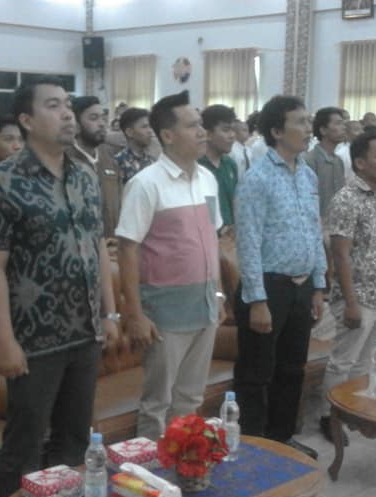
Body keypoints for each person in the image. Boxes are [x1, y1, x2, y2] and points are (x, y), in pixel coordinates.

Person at [0, 76, 118, 497]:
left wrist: (110, 313)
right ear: (27, 120)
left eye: (68, 105)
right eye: (53, 106)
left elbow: (98, 248)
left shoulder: (83, 174)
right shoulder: (2, 182)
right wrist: (4, 340)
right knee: (24, 449)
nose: (67, 114)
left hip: (85, 334)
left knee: (74, 442)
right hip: (33, 340)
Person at [116, 90, 224, 440]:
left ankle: (185, 459)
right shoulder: (146, 184)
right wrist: (135, 314)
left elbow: (212, 241)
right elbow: (127, 250)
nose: (202, 132)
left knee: (191, 397)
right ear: (167, 135)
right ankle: (152, 466)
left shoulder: (208, 179)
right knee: (158, 402)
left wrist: (218, 294)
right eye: (192, 126)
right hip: (164, 311)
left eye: (201, 124)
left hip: (204, 304)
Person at [234, 95, 325, 454]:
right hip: (268, 288)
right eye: (300, 122)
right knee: (257, 374)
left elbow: (314, 231)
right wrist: (257, 299)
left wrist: (318, 285)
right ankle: (253, 447)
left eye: (308, 121)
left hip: (302, 286)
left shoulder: (307, 174)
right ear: (276, 131)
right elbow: (248, 242)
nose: (308, 128)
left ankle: (282, 440)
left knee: (292, 368)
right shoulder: (257, 178)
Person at [322, 131, 376, 438]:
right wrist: (351, 303)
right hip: (358, 295)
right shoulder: (346, 199)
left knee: (371, 360)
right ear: (360, 163)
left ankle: (355, 411)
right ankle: (330, 417)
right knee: (343, 361)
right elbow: (340, 255)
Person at [68, 96, 123, 239]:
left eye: (103, 118)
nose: (102, 124)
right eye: (94, 118)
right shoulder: (64, 159)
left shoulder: (110, 156)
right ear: (76, 125)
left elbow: (119, 202)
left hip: (112, 241)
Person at [199, 104, 239, 232]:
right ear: (208, 134)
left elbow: (235, 201)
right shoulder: (198, 166)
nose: (232, 135)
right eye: (226, 130)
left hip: (230, 236)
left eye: (233, 130)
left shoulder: (230, 164)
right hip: (207, 233)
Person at [306, 107, 346, 226]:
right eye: (338, 123)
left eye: (343, 123)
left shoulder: (338, 161)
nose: (344, 127)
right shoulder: (309, 160)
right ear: (323, 130)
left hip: (337, 224)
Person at [114, 107, 156, 185]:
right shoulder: (118, 162)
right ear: (129, 132)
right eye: (144, 127)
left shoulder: (152, 161)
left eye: (150, 126)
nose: (150, 131)